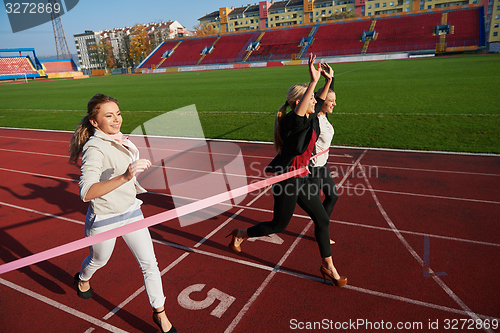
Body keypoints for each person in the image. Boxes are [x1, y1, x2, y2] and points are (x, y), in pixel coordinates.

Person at [227, 54, 347, 287]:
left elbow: (319, 101)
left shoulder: (311, 116)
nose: (317, 102)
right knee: (279, 225)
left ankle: (328, 267)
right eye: (312, 99)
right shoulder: (294, 121)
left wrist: (328, 81)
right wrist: (312, 82)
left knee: (322, 219)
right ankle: (241, 234)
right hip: (287, 181)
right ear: (300, 103)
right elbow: (304, 108)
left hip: (303, 178)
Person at [68, 94, 176, 333]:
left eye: (117, 113)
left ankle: (160, 313)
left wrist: (132, 176)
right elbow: (86, 192)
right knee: (99, 260)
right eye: (109, 115)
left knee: (150, 263)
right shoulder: (94, 147)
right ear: (95, 123)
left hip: (130, 211)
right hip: (105, 218)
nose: (117, 119)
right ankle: (82, 279)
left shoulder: (120, 139)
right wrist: (126, 177)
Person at [310, 63, 338, 245]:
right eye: (331, 102)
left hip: (323, 167)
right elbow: (319, 100)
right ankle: (322, 232)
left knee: (332, 196)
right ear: (322, 103)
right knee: (315, 208)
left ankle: (320, 229)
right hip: (312, 169)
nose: (335, 104)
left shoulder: (325, 115)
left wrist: (331, 78)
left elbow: (328, 95)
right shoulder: (314, 119)